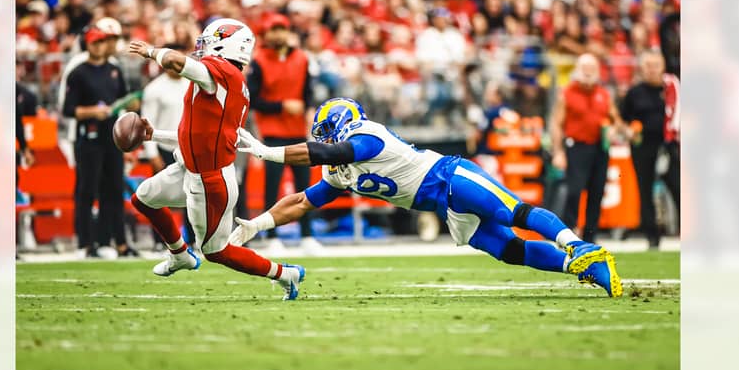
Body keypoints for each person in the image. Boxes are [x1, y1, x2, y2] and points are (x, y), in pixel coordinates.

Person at [233, 97, 623, 297]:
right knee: (511, 252)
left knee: (513, 212)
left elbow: (332, 153)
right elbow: (302, 202)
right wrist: (256, 225)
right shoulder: (340, 171)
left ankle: (579, 245)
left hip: (451, 176)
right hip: (443, 207)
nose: (321, 137)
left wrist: (268, 152)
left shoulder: (367, 136)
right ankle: (586, 269)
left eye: (324, 130)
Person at [126, 18, 306, 301]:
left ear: (226, 43)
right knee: (143, 198)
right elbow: (196, 134)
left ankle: (285, 274)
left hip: (210, 180)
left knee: (216, 251)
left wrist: (151, 51)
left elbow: (175, 61)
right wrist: (154, 135)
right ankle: (179, 255)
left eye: (207, 41)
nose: (202, 47)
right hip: (191, 168)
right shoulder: (226, 81)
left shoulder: (223, 73)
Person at [63, 26, 140, 258]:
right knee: (87, 190)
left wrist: (131, 106)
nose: (99, 46)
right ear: (87, 44)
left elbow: (124, 100)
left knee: (114, 190)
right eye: (95, 42)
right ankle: (85, 243)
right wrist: (92, 112)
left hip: (112, 138)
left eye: (102, 42)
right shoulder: (78, 73)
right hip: (89, 138)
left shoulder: (114, 70)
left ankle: (106, 240)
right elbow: (69, 109)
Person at [247, 13, 320, 254]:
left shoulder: (301, 58)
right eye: (273, 30)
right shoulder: (258, 62)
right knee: (272, 186)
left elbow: (308, 91)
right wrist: (282, 106)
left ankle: (307, 235)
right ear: (265, 35)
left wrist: (309, 111)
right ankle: (272, 235)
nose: (278, 34)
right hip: (272, 133)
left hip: (298, 130)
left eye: (282, 29)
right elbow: (253, 100)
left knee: (304, 186)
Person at [550, 53, 625, 243]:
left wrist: (613, 130)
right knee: (574, 191)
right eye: (585, 68)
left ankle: (591, 236)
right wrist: (558, 151)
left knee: (597, 192)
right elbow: (556, 123)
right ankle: (568, 234)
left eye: (592, 68)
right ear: (578, 70)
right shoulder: (567, 93)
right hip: (576, 147)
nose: (589, 73)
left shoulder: (603, 94)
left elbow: (616, 120)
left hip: (600, 148)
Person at [621, 50, 679, 249]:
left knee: (678, 187)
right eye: (648, 65)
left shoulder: (672, 89)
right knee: (645, 192)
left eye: (656, 65)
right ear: (642, 68)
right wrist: (629, 130)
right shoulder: (634, 92)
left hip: (669, 146)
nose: (652, 69)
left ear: (663, 67)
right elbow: (622, 118)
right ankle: (652, 237)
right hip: (643, 146)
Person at [140, 43, 193, 250]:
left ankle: (193, 239)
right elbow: (148, 122)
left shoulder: (192, 83)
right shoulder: (154, 89)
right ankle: (161, 240)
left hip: (188, 145)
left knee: (193, 193)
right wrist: (152, 153)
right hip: (163, 146)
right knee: (159, 195)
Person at [58, 17, 123, 166]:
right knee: (88, 183)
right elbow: (66, 105)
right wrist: (92, 112)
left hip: (111, 134)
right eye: (108, 38)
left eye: (114, 39)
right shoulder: (78, 65)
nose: (111, 43)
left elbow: (121, 99)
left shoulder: (114, 66)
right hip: (85, 134)